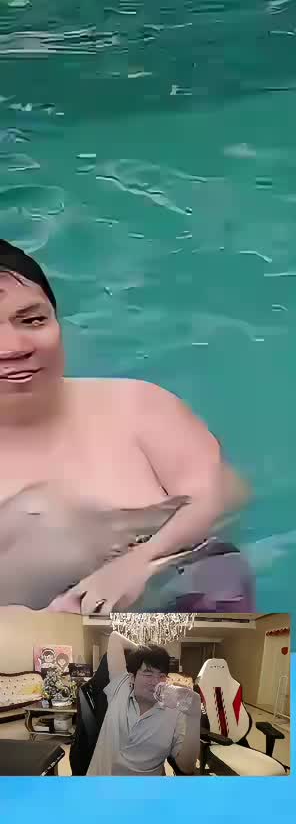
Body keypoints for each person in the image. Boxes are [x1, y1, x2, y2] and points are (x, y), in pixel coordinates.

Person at [0, 239, 254, 613]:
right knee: (44, 517)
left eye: (33, 320)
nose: (14, 346)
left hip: (196, 617)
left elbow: (224, 495)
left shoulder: (138, 407)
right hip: (40, 641)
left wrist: (140, 564)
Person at [87, 627, 203, 776]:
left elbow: (186, 767)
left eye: (161, 676)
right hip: (101, 784)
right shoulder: (121, 686)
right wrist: (143, 653)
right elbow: (115, 637)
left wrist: (194, 717)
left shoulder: (175, 711)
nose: (155, 681)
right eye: (148, 674)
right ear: (132, 678)